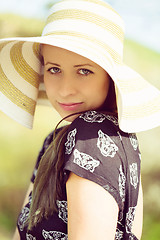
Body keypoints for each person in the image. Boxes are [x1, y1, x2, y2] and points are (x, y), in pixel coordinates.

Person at [0, 0, 160, 239]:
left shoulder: (92, 136)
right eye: (54, 69)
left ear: (110, 77)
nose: (65, 90)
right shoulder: (61, 138)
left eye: (84, 71)